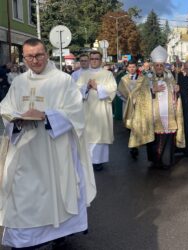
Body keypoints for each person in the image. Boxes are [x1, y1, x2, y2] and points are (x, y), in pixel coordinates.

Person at [0, 38, 96, 249]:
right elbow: (5, 108)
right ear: (23, 58)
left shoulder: (62, 80)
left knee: (56, 194)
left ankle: (58, 233)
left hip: (54, 150)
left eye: (39, 55)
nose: (35, 60)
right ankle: (23, 241)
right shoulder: (19, 82)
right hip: (25, 150)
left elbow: (75, 112)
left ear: (47, 53)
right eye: (30, 56)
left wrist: (45, 115)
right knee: (24, 196)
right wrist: (15, 119)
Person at [77, 51, 117, 171]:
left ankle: (98, 161)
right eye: (92, 58)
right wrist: (86, 87)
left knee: (100, 134)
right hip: (87, 109)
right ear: (89, 60)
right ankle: (88, 160)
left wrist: (97, 87)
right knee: (88, 134)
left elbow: (112, 90)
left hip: (102, 110)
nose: (94, 60)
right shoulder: (84, 75)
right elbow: (75, 90)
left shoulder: (108, 74)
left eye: (97, 59)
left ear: (101, 60)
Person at [147, 45, 185, 169]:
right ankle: (156, 161)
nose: (159, 67)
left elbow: (174, 90)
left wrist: (176, 90)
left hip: (168, 113)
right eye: (157, 65)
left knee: (168, 138)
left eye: (161, 65)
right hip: (154, 114)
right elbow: (139, 94)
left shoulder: (170, 76)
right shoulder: (147, 77)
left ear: (164, 66)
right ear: (153, 66)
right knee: (155, 139)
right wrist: (152, 90)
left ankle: (167, 161)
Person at [118, 60, 145, 159]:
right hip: (127, 105)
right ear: (127, 68)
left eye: (133, 67)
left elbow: (145, 91)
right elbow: (119, 92)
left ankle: (136, 145)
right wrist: (127, 100)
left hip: (139, 105)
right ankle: (132, 146)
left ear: (136, 67)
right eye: (130, 67)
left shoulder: (142, 79)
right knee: (130, 126)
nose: (132, 69)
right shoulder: (123, 79)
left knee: (137, 126)